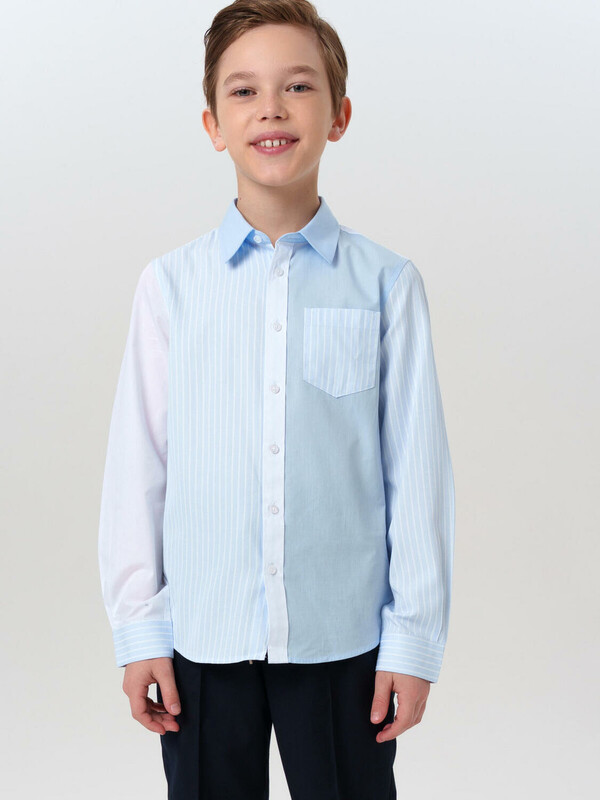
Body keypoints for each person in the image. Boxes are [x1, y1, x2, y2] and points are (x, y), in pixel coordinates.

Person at [97, 1, 455, 798]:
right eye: (243, 91)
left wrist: (412, 639)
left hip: (342, 640)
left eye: (297, 86)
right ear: (212, 125)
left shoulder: (386, 285)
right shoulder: (170, 287)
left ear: (339, 116)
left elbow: (417, 473)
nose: (271, 109)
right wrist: (141, 627)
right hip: (202, 638)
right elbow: (138, 467)